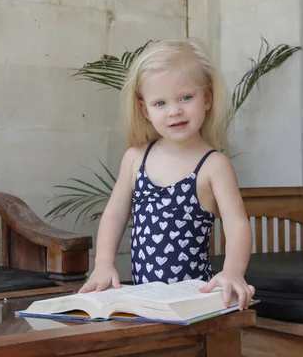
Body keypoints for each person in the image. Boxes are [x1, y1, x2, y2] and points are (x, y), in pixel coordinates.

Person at [78, 38, 255, 310]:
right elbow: (114, 214)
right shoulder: (135, 159)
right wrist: (103, 263)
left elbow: (237, 225)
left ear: (207, 98)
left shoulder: (213, 165)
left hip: (195, 301)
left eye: (186, 97)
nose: (175, 111)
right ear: (144, 110)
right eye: (160, 103)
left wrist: (232, 272)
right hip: (144, 298)